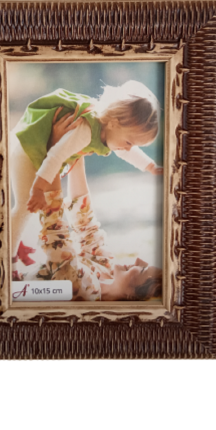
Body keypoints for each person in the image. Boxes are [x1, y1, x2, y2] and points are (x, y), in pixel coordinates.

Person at [10, 80, 163, 299]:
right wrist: (73, 151)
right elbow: (85, 223)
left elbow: (56, 233)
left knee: (24, 207)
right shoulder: (105, 267)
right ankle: (12, 249)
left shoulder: (86, 290)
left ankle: (8, 261)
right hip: (33, 148)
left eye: (143, 269)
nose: (139, 259)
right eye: (130, 141)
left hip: (40, 152)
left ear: (133, 296)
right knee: (23, 209)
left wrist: (54, 147)